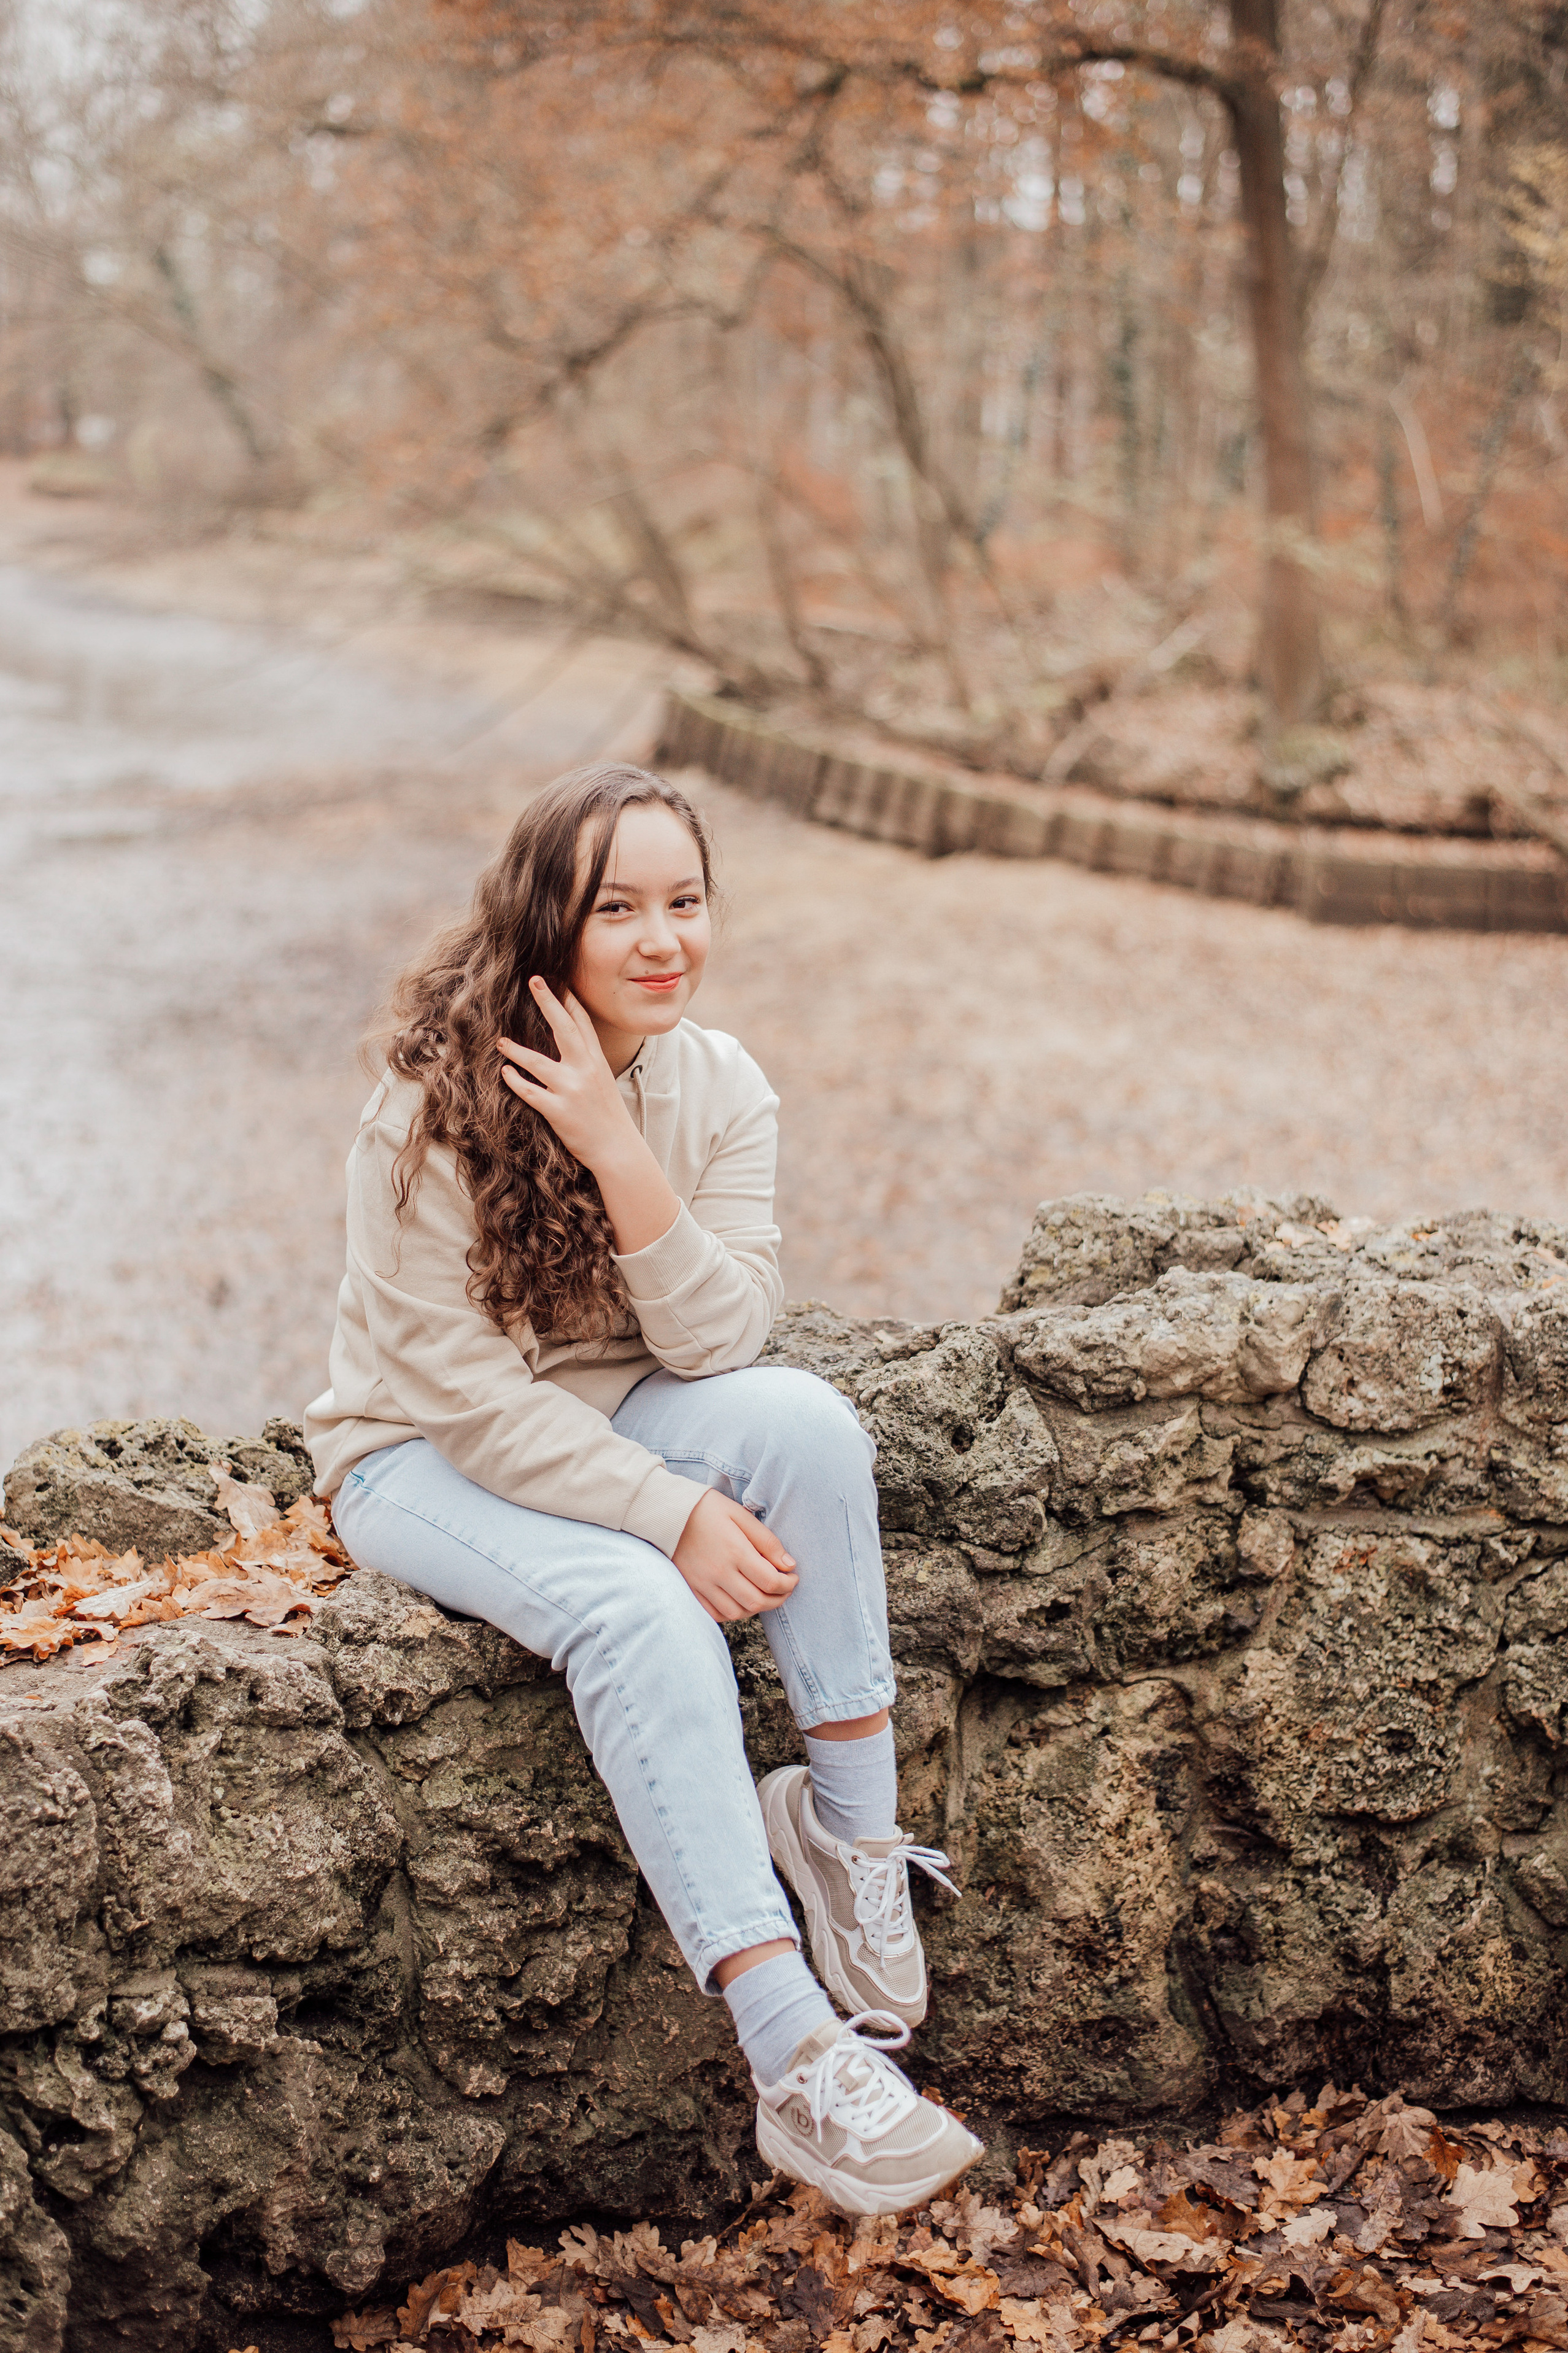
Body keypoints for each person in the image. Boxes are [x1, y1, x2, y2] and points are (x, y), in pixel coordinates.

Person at [305, 760, 982, 2216]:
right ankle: (794, 2052)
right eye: (618, 908)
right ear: (545, 921)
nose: (662, 939)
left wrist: (619, 1151)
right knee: (640, 1609)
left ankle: (850, 1832)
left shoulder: (716, 1083)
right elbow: (469, 1403)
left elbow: (721, 1338)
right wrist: (664, 1511)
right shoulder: (427, 1106)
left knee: (803, 1424)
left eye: (685, 901)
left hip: (618, 1407)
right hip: (415, 1460)